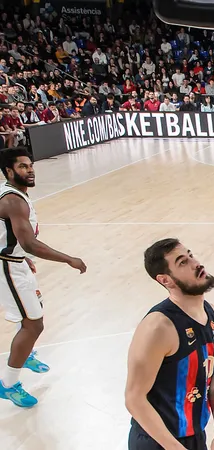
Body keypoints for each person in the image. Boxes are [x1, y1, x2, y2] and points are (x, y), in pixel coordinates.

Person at [0, 147, 86, 408]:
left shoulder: (15, 195)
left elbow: (17, 239)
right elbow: (29, 243)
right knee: (33, 324)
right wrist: (69, 259)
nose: (30, 170)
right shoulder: (13, 200)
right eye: (23, 166)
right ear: (8, 171)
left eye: (30, 165)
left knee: (31, 311)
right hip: (7, 267)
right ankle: (9, 384)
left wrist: (17, 252)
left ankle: (25, 354)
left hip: (14, 260)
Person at [125, 238, 214, 450]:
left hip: (194, 436)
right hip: (157, 442)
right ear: (166, 280)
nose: (196, 264)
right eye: (182, 262)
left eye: (191, 255)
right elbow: (134, 398)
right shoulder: (158, 328)